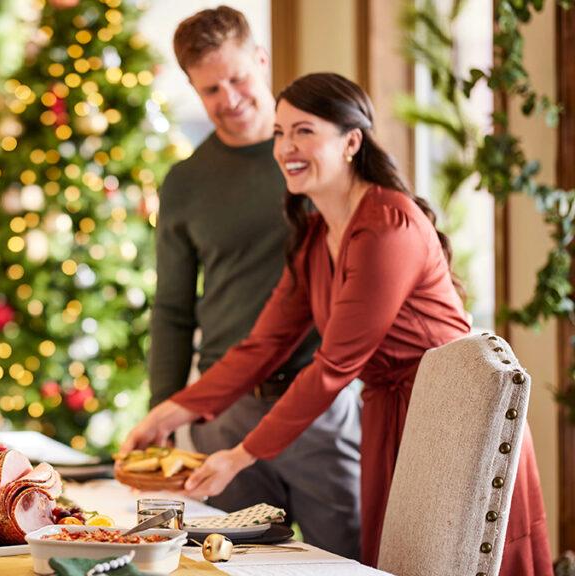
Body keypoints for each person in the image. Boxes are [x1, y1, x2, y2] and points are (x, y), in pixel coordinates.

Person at [123, 72, 552, 572]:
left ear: (352, 142)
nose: (286, 147)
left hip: (450, 423)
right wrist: (169, 412)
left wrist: (239, 455)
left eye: (304, 131)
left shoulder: (387, 224)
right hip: (391, 414)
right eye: (280, 133)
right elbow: (261, 346)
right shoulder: (313, 237)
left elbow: (334, 366)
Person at [148, 7, 362, 559]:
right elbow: (173, 308)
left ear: (262, 60)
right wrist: (166, 411)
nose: (230, 98)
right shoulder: (186, 183)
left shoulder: (318, 157)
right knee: (233, 561)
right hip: (226, 413)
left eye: (238, 77)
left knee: (354, 556)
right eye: (210, 88)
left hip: (319, 401)